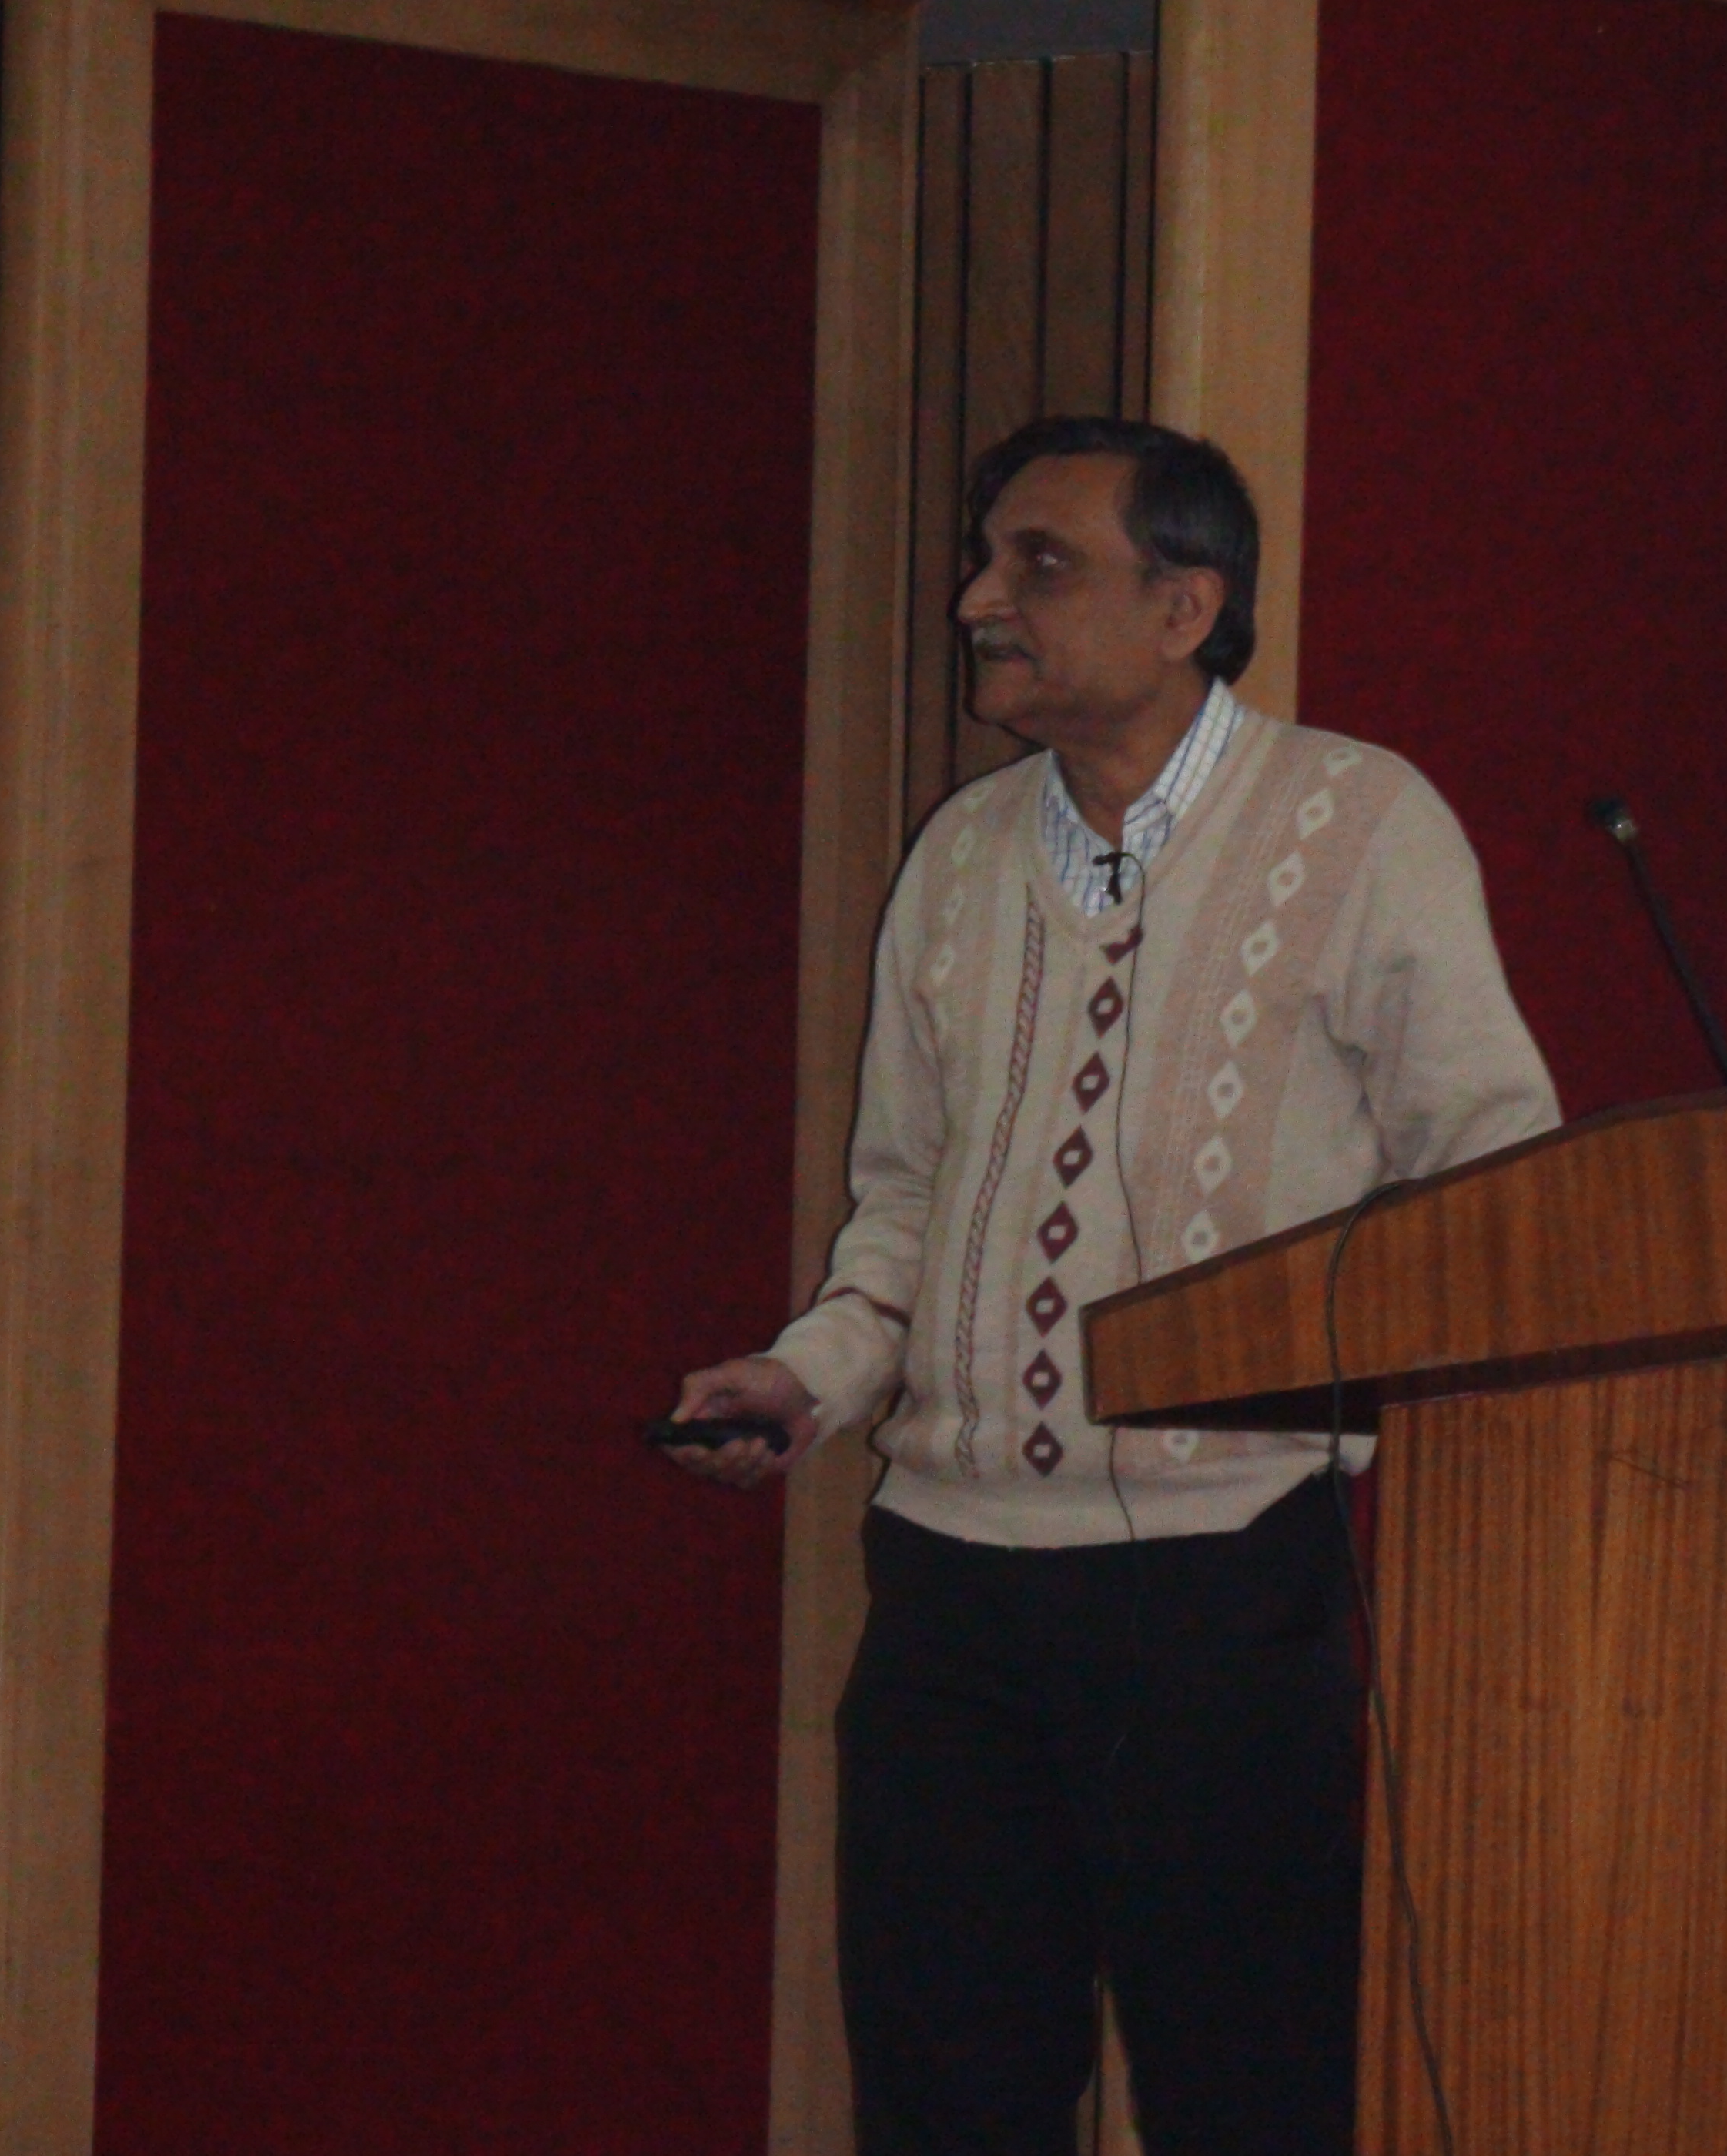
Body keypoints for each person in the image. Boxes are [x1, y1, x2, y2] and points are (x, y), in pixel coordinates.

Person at [666, 417, 1557, 2155]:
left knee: (1253, 2100)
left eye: (1040, 564)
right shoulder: (958, 855)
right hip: (946, 1591)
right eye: (987, 559)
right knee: (945, 2099)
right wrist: (808, 1374)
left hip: (1228, 1586)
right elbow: (904, 1200)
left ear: (1183, 606)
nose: (976, 600)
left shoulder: (1359, 822)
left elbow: (1490, 1174)